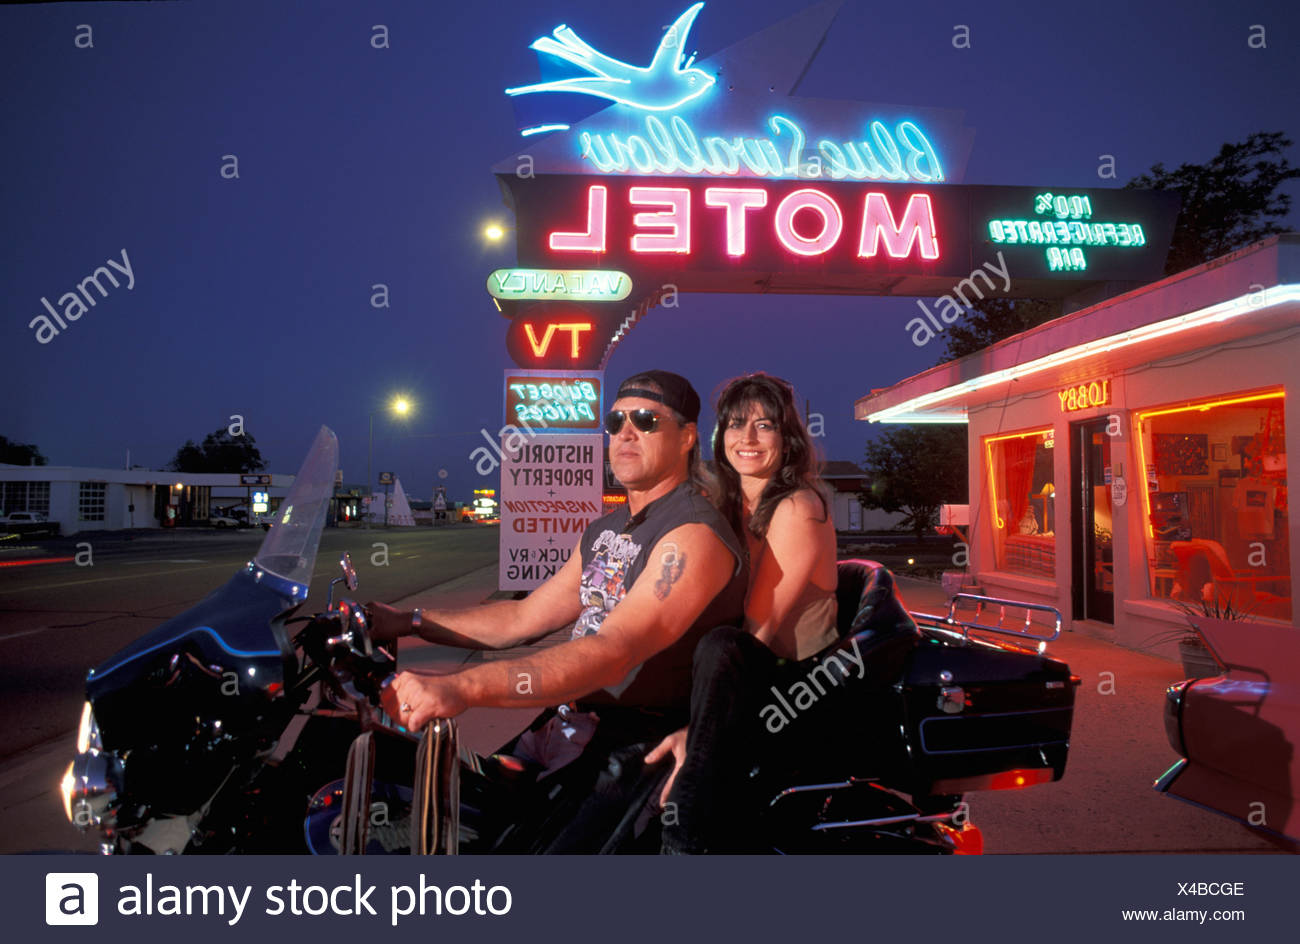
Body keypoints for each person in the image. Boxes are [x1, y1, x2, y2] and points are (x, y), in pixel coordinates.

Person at [366, 369, 747, 851]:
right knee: (458, 819)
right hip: (568, 722)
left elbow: (614, 649)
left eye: (647, 421)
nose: (626, 433)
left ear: (687, 437)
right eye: (616, 421)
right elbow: (522, 618)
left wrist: (462, 686)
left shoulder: (692, 533)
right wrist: (405, 621)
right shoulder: (608, 528)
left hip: (634, 737)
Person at [648, 372, 838, 854]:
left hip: (797, 681)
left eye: (765, 426)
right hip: (747, 669)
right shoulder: (725, 504)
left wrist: (701, 725)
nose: (747, 439)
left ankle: (685, 833)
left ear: (788, 437)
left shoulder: (798, 507)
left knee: (720, 644)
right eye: (735, 424)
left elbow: (757, 631)